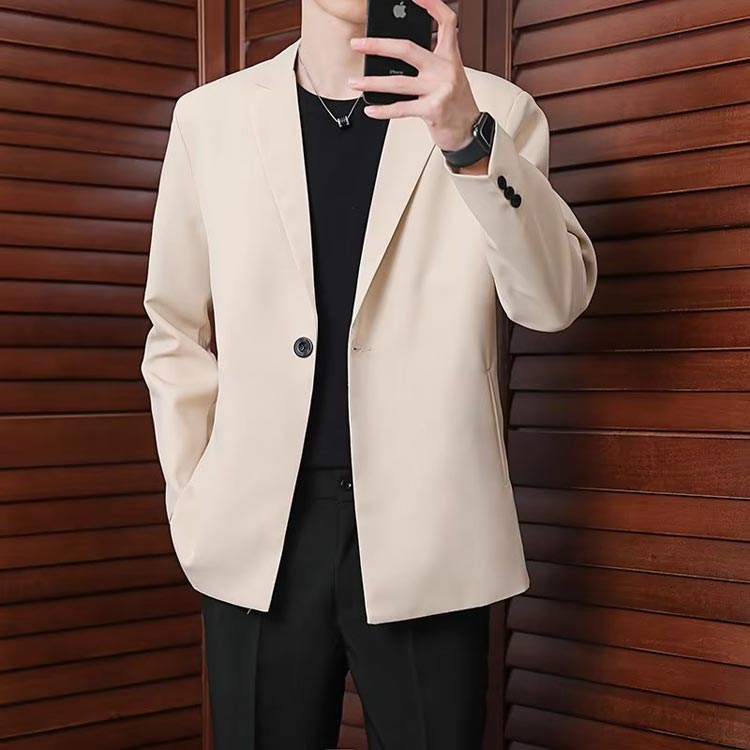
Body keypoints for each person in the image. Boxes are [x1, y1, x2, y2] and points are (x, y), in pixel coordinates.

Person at [140, 0, 598, 746]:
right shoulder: (209, 119)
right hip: (256, 534)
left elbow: (554, 302)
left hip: (431, 531)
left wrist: (468, 140)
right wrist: (194, 496)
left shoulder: (496, 111)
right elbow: (174, 328)